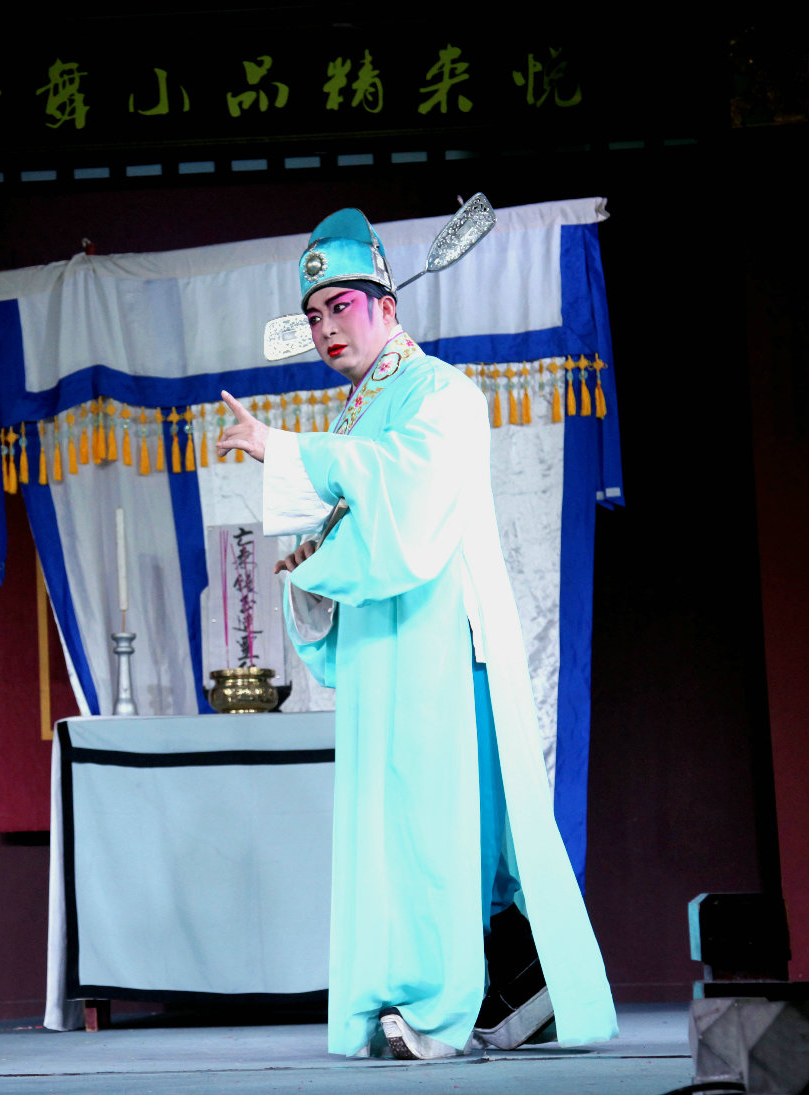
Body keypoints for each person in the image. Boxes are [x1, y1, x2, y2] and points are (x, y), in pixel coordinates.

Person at [218, 208, 615, 1060]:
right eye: (314, 314)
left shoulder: (442, 394)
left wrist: (290, 452)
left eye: (342, 306)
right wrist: (310, 574)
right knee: (405, 823)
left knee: (442, 824)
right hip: (385, 651)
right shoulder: (355, 420)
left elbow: (409, 497)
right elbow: (348, 533)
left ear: (387, 305)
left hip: (441, 643)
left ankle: (441, 1005)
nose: (327, 327)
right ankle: (491, 991)